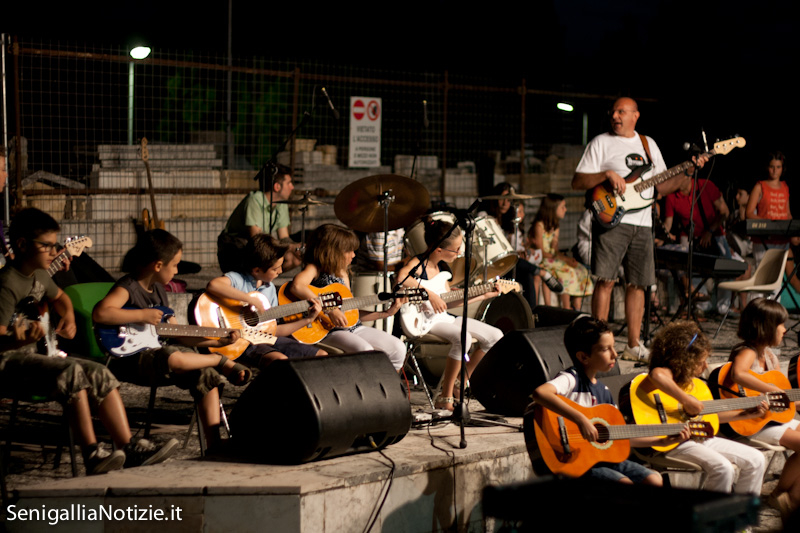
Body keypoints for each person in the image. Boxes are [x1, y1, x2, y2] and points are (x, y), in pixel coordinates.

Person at [0, 208, 178, 475]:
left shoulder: (40, 275)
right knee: (71, 371)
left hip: (38, 356)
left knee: (98, 371)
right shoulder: (6, 283)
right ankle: (92, 454)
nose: (54, 252)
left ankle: (128, 446)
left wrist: (69, 317)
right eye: (47, 246)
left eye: (55, 245)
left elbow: (61, 297)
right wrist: (16, 339)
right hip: (10, 361)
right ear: (23, 245)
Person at [572, 97, 707, 362]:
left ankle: (633, 344)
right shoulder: (600, 142)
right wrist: (606, 174)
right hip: (612, 219)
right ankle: (598, 344)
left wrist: (688, 171)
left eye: (621, 112)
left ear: (636, 115)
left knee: (639, 284)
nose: (615, 116)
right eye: (613, 112)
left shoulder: (648, 144)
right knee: (606, 281)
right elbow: (578, 181)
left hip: (643, 223)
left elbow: (662, 187)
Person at [93, 229, 252, 450]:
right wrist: (141, 315)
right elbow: (101, 313)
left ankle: (214, 443)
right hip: (130, 359)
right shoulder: (128, 286)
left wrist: (218, 342)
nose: (177, 270)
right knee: (172, 356)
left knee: (205, 374)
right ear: (158, 265)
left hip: (159, 357)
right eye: (175, 265)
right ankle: (219, 361)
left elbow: (180, 334)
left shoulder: (159, 289)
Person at [531, 316, 675, 485]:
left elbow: (617, 436)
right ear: (584, 357)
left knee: (654, 479)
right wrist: (581, 420)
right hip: (576, 461)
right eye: (606, 349)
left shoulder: (604, 392)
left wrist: (660, 441)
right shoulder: (571, 379)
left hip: (603, 460)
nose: (615, 354)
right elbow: (540, 393)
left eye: (613, 347)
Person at [643, 320, 767, 494]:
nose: (706, 365)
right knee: (723, 468)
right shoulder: (666, 374)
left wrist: (745, 414)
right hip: (672, 442)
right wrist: (686, 400)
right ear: (684, 359)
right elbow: (657, 374)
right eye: (701, 361)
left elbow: (709, 417)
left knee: (757, 459)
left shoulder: (696, 385)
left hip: (698, 437)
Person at [396, 218, 503, 411]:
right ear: (438, 250)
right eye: (456, 249)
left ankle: (460, 382)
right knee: (463, 338)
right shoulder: (419, 263)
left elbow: (448, 303)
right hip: (423, 320)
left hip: (442, 317)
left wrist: (483, 294)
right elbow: (401, 278)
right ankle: (445, 397)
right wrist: (430, 294)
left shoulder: (443, 269)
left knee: (495, 336)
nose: (459, 253)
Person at [288, 224, 407, 371]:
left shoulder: (342, 274)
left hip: (353, 328)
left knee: (398, 348)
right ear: (332, 251)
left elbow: (351, 314)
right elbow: (297, 286)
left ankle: (383, 389)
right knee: (365, 351)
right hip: (326, 331)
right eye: (348, 251)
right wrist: (330, 308)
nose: (353, 255)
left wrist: (386, 313)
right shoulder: (314, 269)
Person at [205, 234, 327, 370]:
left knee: (321, 355)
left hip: (264, 338)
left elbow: (273, 330)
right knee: (279, 361)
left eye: (281, 266)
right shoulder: (238, 279)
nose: (280, 271)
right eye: (275, 269)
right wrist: (250, 300)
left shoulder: (269, 289)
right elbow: (214, 285)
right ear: (257, 270)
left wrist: (308, 320)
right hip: (240, 341)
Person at [727, 298, 800, 520]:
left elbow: (785, 399)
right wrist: (770, 388)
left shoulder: (770, 356)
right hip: (754, 421)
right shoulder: (747, 351)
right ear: (766, 326)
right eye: (781, 324)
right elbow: (738, 374)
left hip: (773, 418)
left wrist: (792, 400)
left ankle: (790, 497)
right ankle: (779, 494)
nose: (785, 329)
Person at [480, 181, 560, 309]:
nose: (505, 203)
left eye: (508, 199)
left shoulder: (507, 222)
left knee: (526, 274)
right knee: (517, 262)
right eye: (501, 199)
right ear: (495, 199)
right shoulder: (484, 217)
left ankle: (531, 314)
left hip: (506, 265)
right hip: (491, 265)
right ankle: (542, 273)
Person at [663, 176, 736, 314]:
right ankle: (703, 305)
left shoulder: (705, 185)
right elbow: (668, 224)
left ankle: (724, 307)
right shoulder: (672, 196)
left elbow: (724, 212)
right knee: (687, 265)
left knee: (727, 267)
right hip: (689, 236)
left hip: (714, 233)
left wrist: (709, 231)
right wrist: (659, 238)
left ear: (687, 176)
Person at [217, 163, 301, 273]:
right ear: (277, 187)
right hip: (234, 247)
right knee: (264, 253)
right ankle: (255, 281)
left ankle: (265, 280)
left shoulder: (282, 203)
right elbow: (256, 239)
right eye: (289, 183)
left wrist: (297, 247)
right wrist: (290, 246)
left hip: (254, 245)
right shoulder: (255, 200)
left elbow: (284, 236)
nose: (292, 187)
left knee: (294, 258)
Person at [745, 151, 800, 293]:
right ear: (767, 167)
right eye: (772, 167)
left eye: (778, 167)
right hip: (764, 237)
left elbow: (787, 213)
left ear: (783, 168)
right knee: (762, 276)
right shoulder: (760, 186)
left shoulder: (785, 187)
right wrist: (770, 223)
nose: (775, 170)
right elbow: (749, 213)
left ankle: (773, 312)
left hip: (781, 238)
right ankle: (758, 310)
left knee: (777, 279)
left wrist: (794, 231)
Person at [529, 193, 593, 310]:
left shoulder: (555, 225)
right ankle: (566, 307)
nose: (565, 209)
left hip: (553, 258)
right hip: (544, 259)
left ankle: (577, 306)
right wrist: (563, 259)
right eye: (562, 207)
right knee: (568, 271)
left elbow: (555, 249)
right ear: (553, 209)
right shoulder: (539, 226)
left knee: (580, 269)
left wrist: (565, 257)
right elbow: (541, 252)